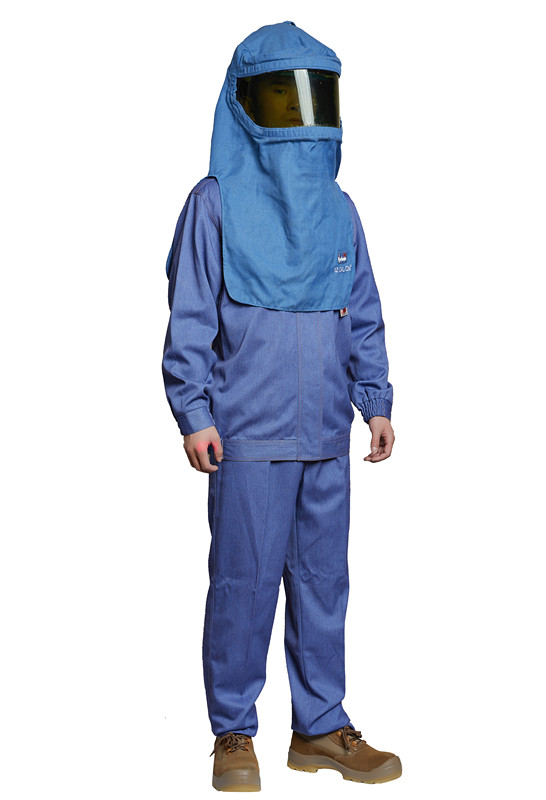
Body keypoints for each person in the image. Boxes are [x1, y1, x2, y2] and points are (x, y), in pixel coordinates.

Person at [162, 21, 401, 792]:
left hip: (326, 431)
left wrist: (375, 400)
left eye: (313, 95)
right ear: (244, 103)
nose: (300, 115)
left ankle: (321, 726)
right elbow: (190, 316)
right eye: (280, 95)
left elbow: (363, 312)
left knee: (325, 581)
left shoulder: (340, 209)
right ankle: (233, 731)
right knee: (244, 582)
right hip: (247, 433)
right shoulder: (215, 205)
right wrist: (195, 411)